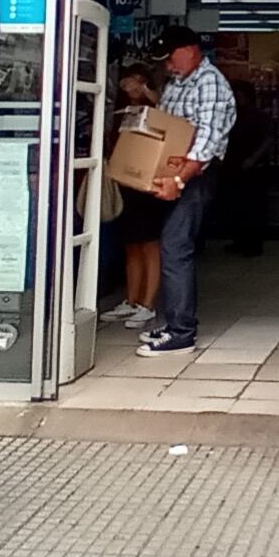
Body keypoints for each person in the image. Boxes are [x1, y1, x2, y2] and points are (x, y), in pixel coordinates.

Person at [135, 25, 236, 357]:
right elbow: (167, 126)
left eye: (171, 58)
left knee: (176, 247)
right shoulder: (178, 83)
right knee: (169, 246)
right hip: (172, 172)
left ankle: (182, 333)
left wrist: (178, 181)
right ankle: (172, 322)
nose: (168, 66)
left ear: (191, 50)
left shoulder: (210, 83)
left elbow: (205, 142)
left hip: (195, 176)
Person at [99, 62, 167, 330]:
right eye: (129, 81)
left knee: (150, 243)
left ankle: (148, 304)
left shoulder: (156, 109)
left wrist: (149, 93)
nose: (134, 86)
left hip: (148, 183)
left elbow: (169, 120)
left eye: (140, 80)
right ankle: (132, 299)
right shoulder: (120, 113)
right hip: (125, 182)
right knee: (131, 244)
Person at [222, 80, 274, 257]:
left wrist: (253, 159)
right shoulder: (231, 116)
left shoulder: (259, 116)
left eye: (239, 95)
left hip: (255, 169)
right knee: (235, 206)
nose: (237, 99)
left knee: (254, 207)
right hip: (233, 166)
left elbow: (268, 140)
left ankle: (254, 244)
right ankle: (239, 240)